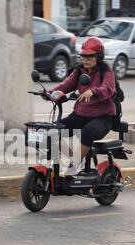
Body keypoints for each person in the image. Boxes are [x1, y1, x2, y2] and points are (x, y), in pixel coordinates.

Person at [50, 37, 117, 176]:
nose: (85, 60)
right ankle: (76, 157)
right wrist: (50, 93)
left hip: (103, 118)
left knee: (88, 131)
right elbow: (65, 85)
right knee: (52, 131)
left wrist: (93, 91)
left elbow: (108, 89)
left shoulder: (107, 72)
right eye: (83, 56)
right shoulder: (80, 71)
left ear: (98, 57)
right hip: (81, 115)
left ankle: (74, 165)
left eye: (89, 56)